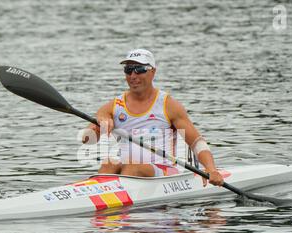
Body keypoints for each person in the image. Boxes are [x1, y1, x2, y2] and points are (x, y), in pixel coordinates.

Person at [82, 49, 223, 186]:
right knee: (108, 165)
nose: (133, 75)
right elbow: (86, 140)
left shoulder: (168, 105)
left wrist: (211, 169)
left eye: (139, 69)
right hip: (126, 170)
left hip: (163, 172)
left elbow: (197, 143)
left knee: (133, 167)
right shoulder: (114, 106)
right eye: (128, 70)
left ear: (153, 71)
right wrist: (97, 124)